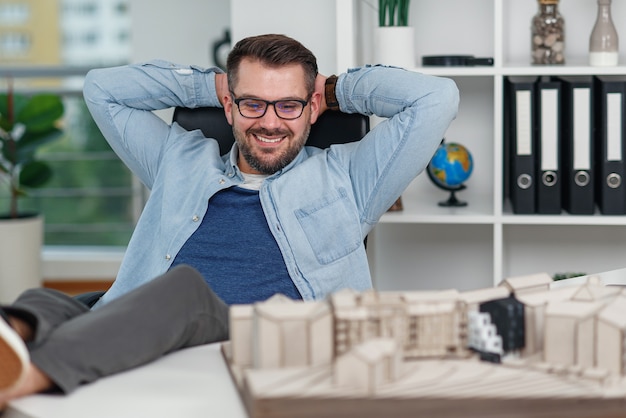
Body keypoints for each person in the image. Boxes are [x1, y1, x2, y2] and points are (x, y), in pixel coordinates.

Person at [0, 34, 458, 407]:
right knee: (47, 301)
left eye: (289, 105)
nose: (270, 122)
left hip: (247, 335)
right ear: (230, 106)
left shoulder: (350, 178)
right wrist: (211, 84)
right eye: (252, 104)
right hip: (146, 323)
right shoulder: (177, 159)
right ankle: (11, 341)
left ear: (312, 108)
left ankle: (25, 379)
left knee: (183, 290)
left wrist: (334, 88)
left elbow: (437, 98)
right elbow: (102, 88)